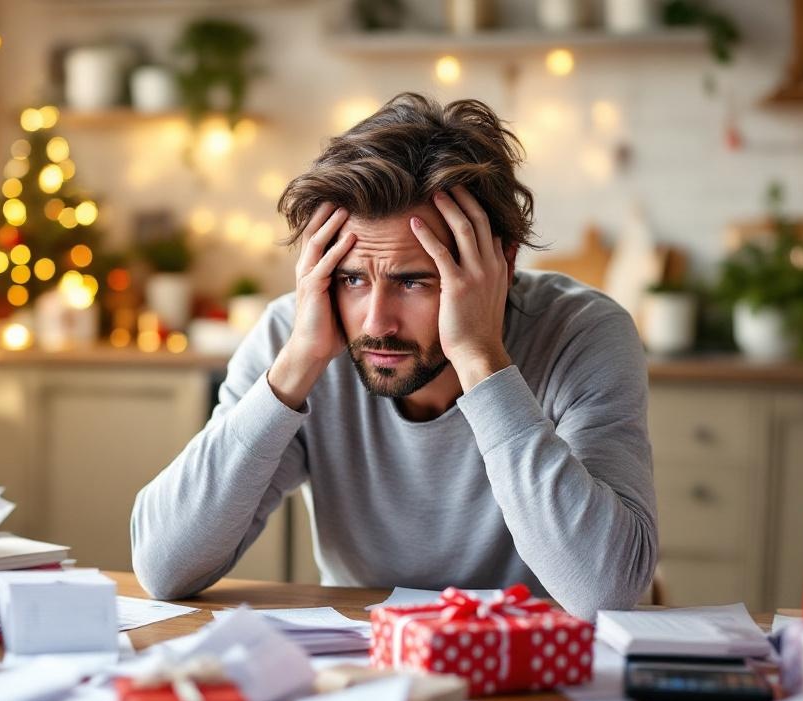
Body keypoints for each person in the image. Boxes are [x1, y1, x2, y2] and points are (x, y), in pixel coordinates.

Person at [130, 93, 656, 620]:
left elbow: (605, 592)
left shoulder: (582, 333)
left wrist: (480, 359)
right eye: (352, 279)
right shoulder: (298, 336)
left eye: (413, 281)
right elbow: (163, 567)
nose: (376, 323)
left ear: (501, 264)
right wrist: (295, 366)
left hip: (536, 660)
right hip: (363, 656)